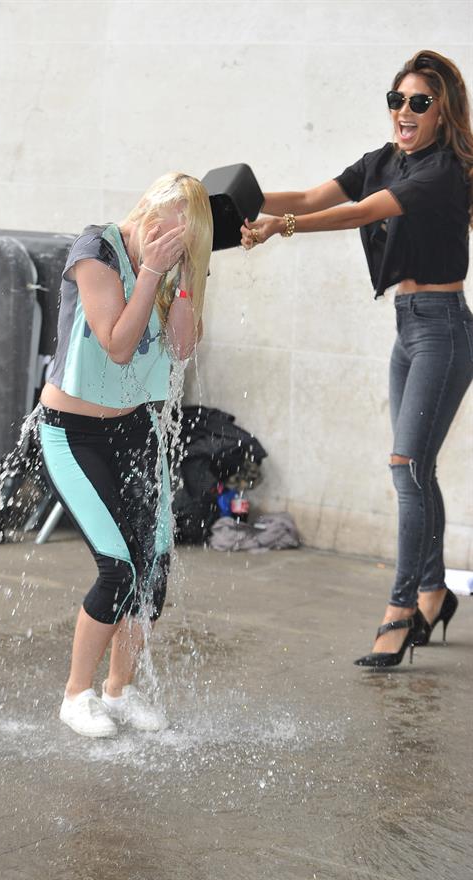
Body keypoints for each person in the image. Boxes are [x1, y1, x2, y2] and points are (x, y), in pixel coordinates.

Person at [241, 50, 473, 668]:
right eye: (396, 99)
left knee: (406, 466)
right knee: (415, 467)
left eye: (418, 102)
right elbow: (318, 194)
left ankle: (400, 610)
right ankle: (432, 593)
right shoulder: (385, 160)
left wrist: (280, 228)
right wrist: (243, 201)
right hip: (409, 328)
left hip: (444, 332)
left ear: (442, 110)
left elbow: (362, 212)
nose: (403, 111)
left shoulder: (443, 171)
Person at [39, 173, 213, 735]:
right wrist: (154, 273)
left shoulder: (172, 271)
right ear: (145, 213)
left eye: (183, 242)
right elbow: (115, 344)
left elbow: (183, 347)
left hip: (135, 430)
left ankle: (118, 691)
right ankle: (76, 695)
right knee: (118, 567)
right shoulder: (96, 250)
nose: (164, 244)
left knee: (154, 567)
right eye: (161, 231)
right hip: (72, 431)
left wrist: (184, 279)